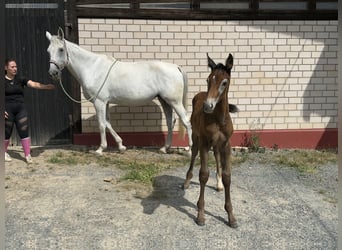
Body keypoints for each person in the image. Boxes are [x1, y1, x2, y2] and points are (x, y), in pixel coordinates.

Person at [4, 58, 55, 164]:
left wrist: (45, 86)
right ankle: (4, 152)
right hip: (7, 111)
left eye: (16, 66)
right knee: (6, 132)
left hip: (20, 109)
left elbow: (33, 84)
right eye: (12, 67)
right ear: (6, 68)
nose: (15, 69)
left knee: (24, 130)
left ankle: (27, 154)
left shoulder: (20, 79)